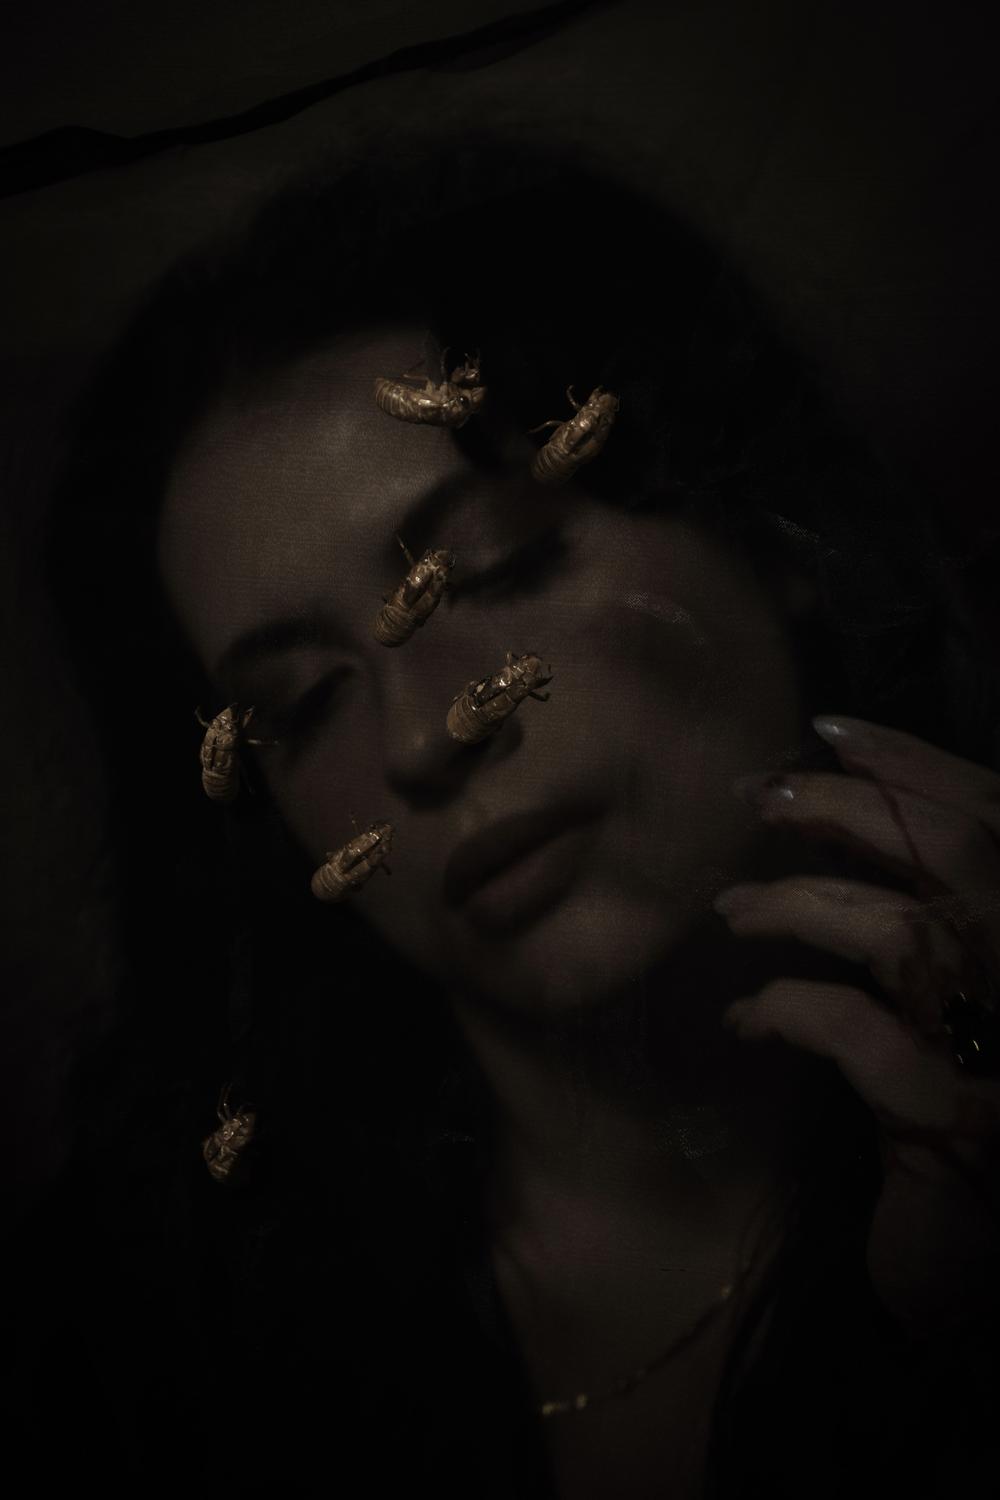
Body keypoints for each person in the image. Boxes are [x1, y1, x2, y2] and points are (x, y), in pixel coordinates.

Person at [30, 136, 1000, 1497]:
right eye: (301, 705)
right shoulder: (159, 1330)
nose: (425, 736)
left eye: (491, 567)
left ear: (766, 527)